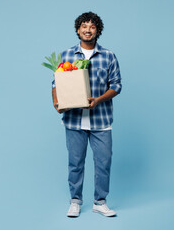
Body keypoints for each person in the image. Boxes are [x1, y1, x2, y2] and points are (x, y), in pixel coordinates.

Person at [52, 12, 122, 217]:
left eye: (92, 26)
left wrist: (98, 100)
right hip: (74, 121)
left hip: (101, 120)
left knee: (103, 163)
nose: (88, 30)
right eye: (84, 26)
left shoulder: (108, 56)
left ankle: (100, 202)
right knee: (75, 163)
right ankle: (75, 200)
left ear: (97, 31)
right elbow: (56, 83)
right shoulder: (66, 56)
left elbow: (117, 85)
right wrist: (57, 103)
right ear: (77, 29)